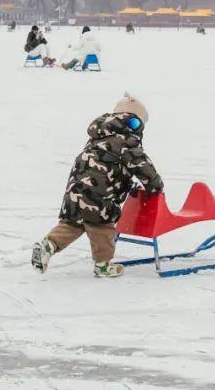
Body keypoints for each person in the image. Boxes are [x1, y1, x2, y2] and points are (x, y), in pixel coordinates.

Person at [32, 93, 164, 278]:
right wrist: (155, 185)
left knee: (72, 225)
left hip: (74, 192)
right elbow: (142, 166)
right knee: (103, 228)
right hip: (100, 196)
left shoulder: (96, 137)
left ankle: (48, 245)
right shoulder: (126, 140)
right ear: (133, 123)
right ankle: (103, 266)